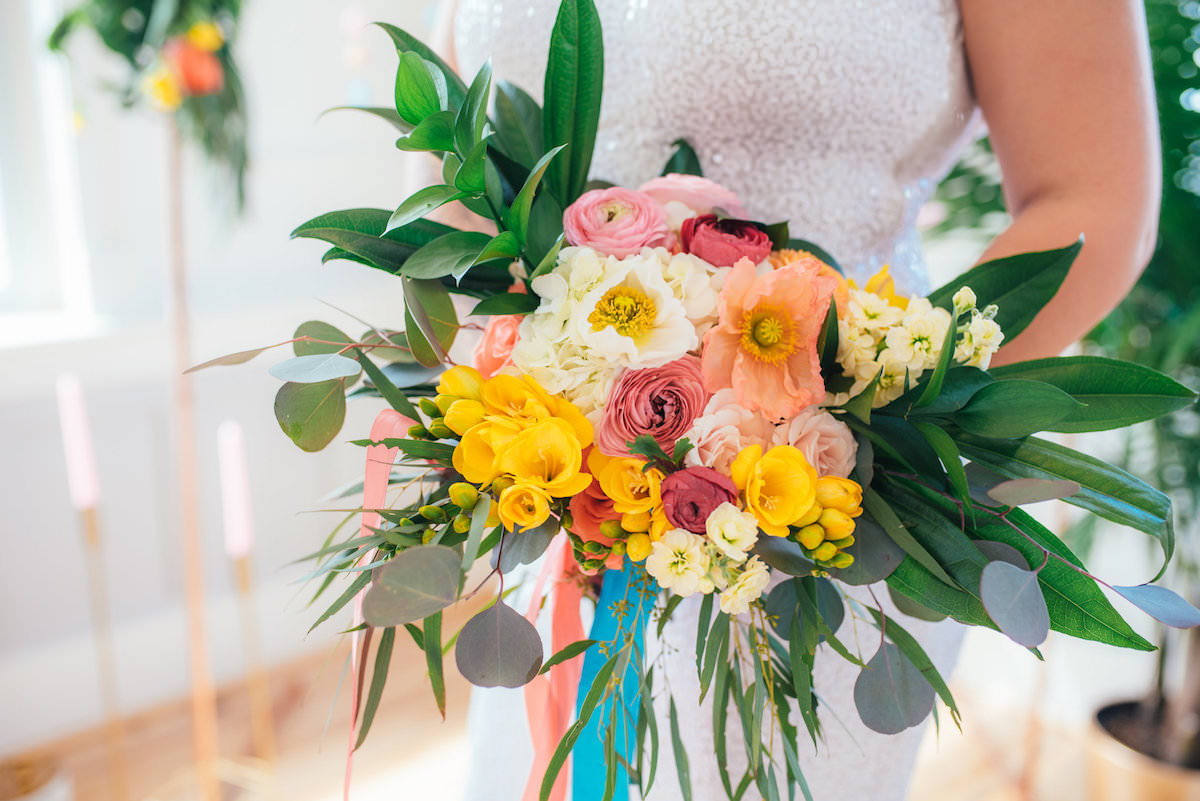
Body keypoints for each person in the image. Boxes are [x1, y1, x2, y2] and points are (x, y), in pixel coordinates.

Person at [439, 0, 1161, 798]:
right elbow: (455, 163)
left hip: (831, 510)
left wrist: (867, 408)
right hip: (553, 504)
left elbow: (1094, 193)